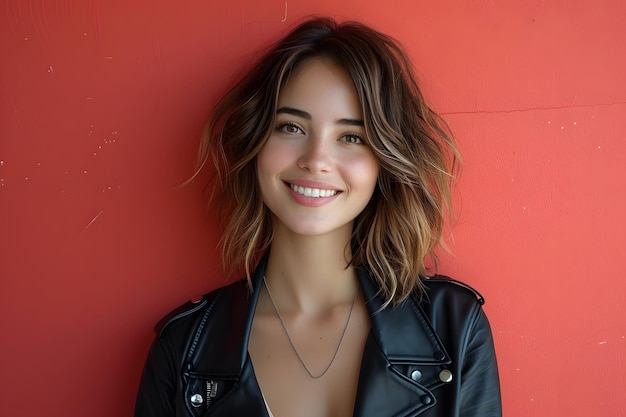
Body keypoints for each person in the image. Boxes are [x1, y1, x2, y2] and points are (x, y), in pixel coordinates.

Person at [135, 16, 501, 417]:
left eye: (352, 137)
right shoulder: (184, 347)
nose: (316, 161)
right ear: (254, 143)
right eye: (291, 127)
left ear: (385, 160)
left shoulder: (454, 328)